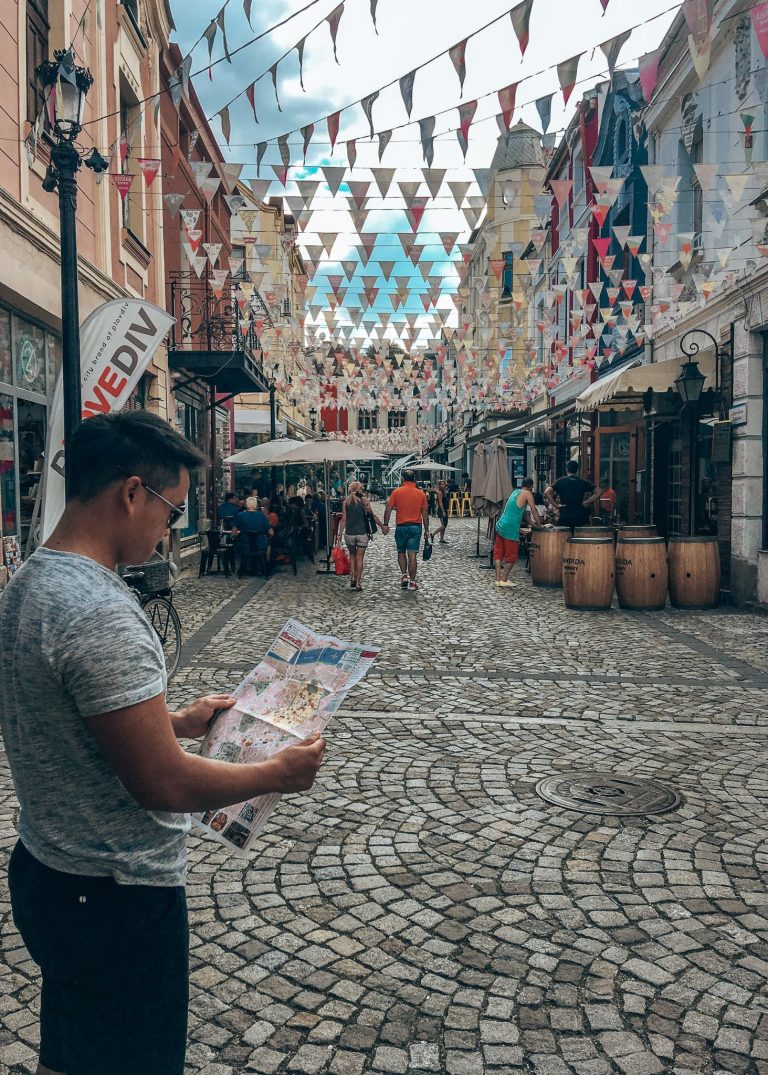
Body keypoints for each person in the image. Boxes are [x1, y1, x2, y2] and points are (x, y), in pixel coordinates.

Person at [0, 410, 324, 1075]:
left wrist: (173, 719)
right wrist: (276, 772)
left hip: (50, 867)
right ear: (129, 493)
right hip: (115, 893)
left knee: (74, 1051)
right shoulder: (100, 612)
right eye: (171, 512)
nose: (169, 531)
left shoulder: (29, 582)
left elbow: (62, 714)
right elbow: (165, 783)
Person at [383, 469, 430, 592]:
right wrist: (427, 529)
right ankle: (413, 582)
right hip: (415, 527)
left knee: (401, 552)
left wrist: (385, 524)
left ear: (403, 479)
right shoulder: (421, 494)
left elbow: (388, 508)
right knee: (412, 555)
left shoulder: (396, 492)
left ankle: (404, 575)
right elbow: (425, 513)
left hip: (401, 526)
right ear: (414, 479)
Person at [339, 480, 387, 592]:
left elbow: (344, 520)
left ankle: (352, 577)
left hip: (349, 534)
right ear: (360, 490)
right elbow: (372, 516)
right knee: (359, 558)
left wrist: (340, 534)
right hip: (362, 534)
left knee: (352, 556)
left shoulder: (345, 502)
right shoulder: (364, 501)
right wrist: (382, 526)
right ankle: (358, 583)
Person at [494, 478, 542, 587]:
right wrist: (539, 525)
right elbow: (533, 509)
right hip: (510, 527)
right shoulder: (527, 493)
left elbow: (524, 514)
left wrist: (533, 525)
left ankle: (497, 579)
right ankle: (504, 579)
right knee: (512, 555)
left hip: (501, 524)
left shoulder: (515, 492)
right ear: (530, 486)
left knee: (498, 553)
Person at [545, 460, 600, 530]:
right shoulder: (582, 482)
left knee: (565, 537)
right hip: (580, 513)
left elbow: (547, 492)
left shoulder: (560, 481)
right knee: (578, 537)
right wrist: (587, 502)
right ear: (577, 470)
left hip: (565, 512)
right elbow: (599, 491)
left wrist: (556, 505)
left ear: (566, 469)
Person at [232, 496, 272, 577]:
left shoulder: (240, 515)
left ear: (246, 505)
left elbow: (233, 533)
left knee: (241, 549)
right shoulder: (261, 515)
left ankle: (243, 570)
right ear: (256, 505)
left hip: (245, 546)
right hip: (260, 546)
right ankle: (263, 570)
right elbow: (271, 532)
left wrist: (240, 533)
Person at [432, 479, 450, 544]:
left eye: (444, 484)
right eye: (442, 484)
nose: (444, 485)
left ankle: (442, 539)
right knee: (443, 525)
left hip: (444, 509)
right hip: (441, 510)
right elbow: (440, 503)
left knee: (444, 525)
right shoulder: (439, 492)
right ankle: (433, 534)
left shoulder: (444, 491)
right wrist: (443, 511)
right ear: (439, 485)